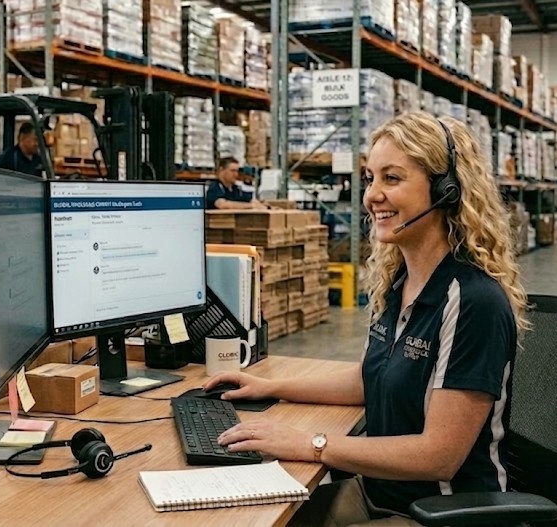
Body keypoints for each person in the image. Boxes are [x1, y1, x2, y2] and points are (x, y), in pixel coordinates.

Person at [206, 112, 530, 526]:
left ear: (446, 190)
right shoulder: (399, 282)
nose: (372, 195)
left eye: (392, 179)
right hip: (381, 492)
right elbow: (367, 379)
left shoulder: (472, 301)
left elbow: (439, 457)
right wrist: (269, 386)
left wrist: (311, 443)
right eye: (371, 178)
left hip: (441, 513)